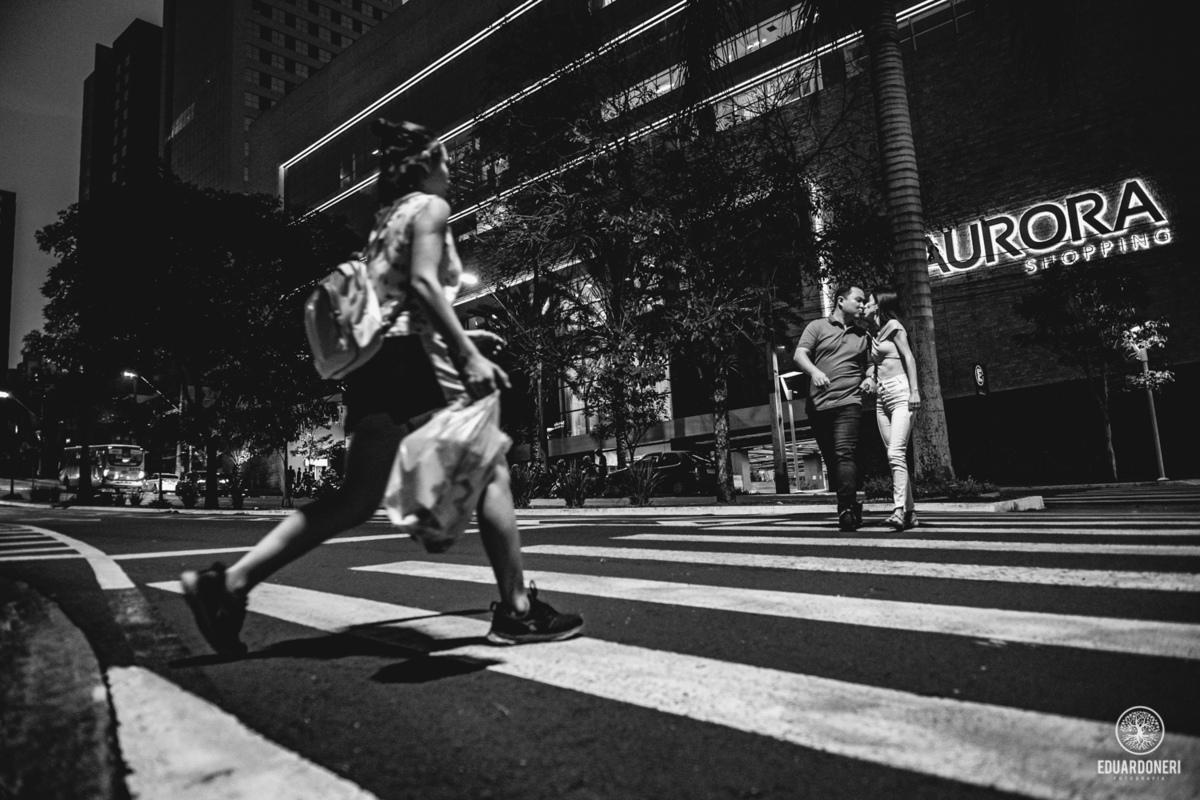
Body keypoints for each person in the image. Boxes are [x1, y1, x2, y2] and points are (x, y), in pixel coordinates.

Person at [180, 119, 583, 655]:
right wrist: (466, 354)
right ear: (426, 166)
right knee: (490, 474)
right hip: (413, 363)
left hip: (375, 366)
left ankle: (229, 584)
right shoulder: (431, 209)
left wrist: (465, 331)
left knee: (354, 498)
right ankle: (517, 611)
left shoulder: (387, 220)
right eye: (445, 159)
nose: (451, 168)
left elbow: (396, 302)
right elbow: (419, 285)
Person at [794, 284, 873, 532]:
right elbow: (799, 355)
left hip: (849, 402)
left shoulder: (863, 336)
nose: (862, 305)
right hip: (818, 406)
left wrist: (870, 378)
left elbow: (871, 364)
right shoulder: (817, 326)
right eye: (858, 300)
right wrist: (815, 372)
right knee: (832, 459)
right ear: (841, 301)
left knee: (844, 454)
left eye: (864, 302)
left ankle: (846, 509)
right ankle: (852, 505)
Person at [863, 288, 921, 531]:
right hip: (882, 397)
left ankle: (898, 511)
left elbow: (909, 356)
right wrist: (869, 378)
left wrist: (915, 391)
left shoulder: (894, 326)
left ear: (878, 305)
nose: (864, 305)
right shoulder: (873, 334)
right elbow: (874, 366)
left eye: (868, 302)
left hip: (900, 392)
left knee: (895, 454)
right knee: (894, 457)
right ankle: (911, 513)